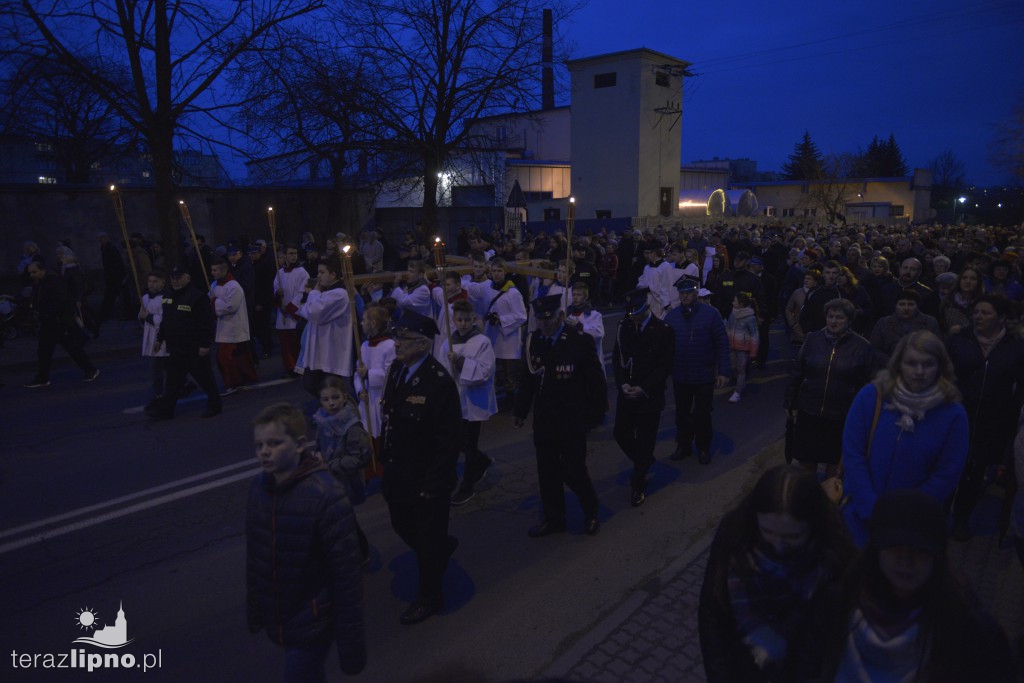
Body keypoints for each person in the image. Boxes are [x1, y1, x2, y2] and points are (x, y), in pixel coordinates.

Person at [799, 489, 1014, 682]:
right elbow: (804, 664)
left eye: (919, 550)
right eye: (895, 547)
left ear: (936, 556)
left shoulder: (971, 631)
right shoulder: (835, 605)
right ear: (877, 549)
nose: (906, 560)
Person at [698, 465, 854, 682]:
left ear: (814, 525)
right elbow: (712, 613)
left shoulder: (834, 563)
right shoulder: (735, 533)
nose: (779, 547)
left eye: (792, 537)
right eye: (769, 532)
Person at [246, 403, 366, 680]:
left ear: (300, 444)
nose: (264, 451)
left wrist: (352, 649)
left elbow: (347, 577)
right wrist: (256, 607)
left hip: (314, 621)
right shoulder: (259, 489)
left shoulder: (326, 495)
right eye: (259, 445)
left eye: (274, 443)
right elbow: (256, 555)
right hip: (280, 615)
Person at [842, 331, 969, 546]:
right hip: (858, 520)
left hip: (912, 527)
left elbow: (946, 474)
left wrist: (903, 514)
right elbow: (853, 454)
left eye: (928, 364)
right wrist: (870, 509)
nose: (919, 371)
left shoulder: (952, 414)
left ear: (940, 366)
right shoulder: (872, 397)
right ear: (898, 363)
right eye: (911, 363)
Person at [379, 310, 462, 625]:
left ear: (424, 344)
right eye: (397, 337)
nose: (397, 343)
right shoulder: (398, 371)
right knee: (402, 525)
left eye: (404, 339)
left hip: (427, 478)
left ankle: (429, 597)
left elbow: (448, 440)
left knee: (426, 542)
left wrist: (435, 484)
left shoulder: (438, 382)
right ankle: (440, 549)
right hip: (400, 472)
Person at [514, 295, 607, 537]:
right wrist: (520, 411)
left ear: (560, 316)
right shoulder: (533, 341)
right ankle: (554, 519)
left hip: (572, 418)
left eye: (550, 318)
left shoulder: (579, 340)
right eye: (540, 319)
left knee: (574, 471)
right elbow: (529, 379)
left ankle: (591, 511)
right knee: (548, 473)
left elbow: (595, 381)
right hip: (545, 419)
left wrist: (596, 415)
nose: (545, 324)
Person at [945, 294, 1024, 540]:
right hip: (955, 416)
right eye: (977, 311)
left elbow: (1019, 387)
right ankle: (935, 517)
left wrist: (1010, 421)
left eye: (986, 312)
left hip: (991, 421)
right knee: (946, 470)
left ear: (1001, 318)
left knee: (973, 474)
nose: (978, 316)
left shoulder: (1015, 348)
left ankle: (961, 519)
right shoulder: (959, 341)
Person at [785, 299, 876, 476]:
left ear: (849, 320)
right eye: (830, 316)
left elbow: (870, 381)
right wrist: (789, 401)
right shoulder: (812, 339)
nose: (833, 321)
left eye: (839, 317)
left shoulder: (862, 347)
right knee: (807, 460)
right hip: (809, 410)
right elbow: (797, 371)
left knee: (835, 463)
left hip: (841, 415)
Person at [611, 287, 675, 507]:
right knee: (621, 433)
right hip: (627, 394)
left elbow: (664, 366)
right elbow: (618, 361)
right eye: (630, 313)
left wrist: (644, 387)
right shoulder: (624, 327)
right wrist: (623, 384)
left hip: (649, 396)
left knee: (646, 440)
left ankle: (638, 483)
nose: (633, 317)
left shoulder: (663, 330)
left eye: (636, 312)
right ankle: (644, 461)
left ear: (646, 308)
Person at [664, 277, 730, 465]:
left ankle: (703, 447)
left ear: (695, 292)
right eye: (682, 293)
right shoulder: (672, 316)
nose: (685, 296)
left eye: (688, 292)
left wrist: (723, 371)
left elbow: (722, 344)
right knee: (682, 414)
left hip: (703, 375)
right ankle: (684, 445)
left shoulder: (711, 315)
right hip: (680, 375)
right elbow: (665, 346)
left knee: (702, 414)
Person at [148, 264, 221, 419]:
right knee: (172, 383)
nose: (176, 281)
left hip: (193, 347)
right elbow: (165, 320)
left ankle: (215, 405)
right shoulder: (168, 295)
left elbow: (206, 323)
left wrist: (205, 345)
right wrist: (159, 339)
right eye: (173, 278)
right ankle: (167, 411)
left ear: (187, 278)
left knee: (205, 378)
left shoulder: (197, 297)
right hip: (175, 348)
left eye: (179, 278)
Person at [444, 300, 498, 505]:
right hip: (456, 400)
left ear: (473, 319)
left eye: (467, 319)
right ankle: (481, 460)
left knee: (470, 441)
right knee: (459, 441)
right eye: (459, 320)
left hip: (474, 400)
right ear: (454, 320)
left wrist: (459, 362)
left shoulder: (482, 342)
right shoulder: (447, 343)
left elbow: (484, 372)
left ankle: (468, 485)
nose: (463, 324)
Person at [314, 377, 373, 563]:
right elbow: (320, 442)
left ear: (344, 398)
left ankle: (362, 554)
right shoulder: (322, 419)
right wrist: (317, 453)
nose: (331, 403)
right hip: (328, 479)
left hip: (345, 481)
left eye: (335, 397)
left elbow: (360, 456)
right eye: (326, 399)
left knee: (346, 520)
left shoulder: (351, 425)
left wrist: (330, 465)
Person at [22, 261, 100, 388]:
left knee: (72, 348)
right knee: (44, 351)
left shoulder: (53, 281)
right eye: (30, 273)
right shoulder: (41, 283)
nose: (32, 275)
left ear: (42, 270)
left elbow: (60, 301)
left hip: (60, 322)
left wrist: (47, 313)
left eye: (34, 272)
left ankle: (90, 369)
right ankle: (42, 377)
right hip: (49, 322)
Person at [295, 255, 353, 398]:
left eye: (322, 272)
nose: (318, 276)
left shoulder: (340, 293)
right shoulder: (327, 292)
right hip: (320, 349)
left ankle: (344, 409)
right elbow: (306, 310)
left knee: (329, 388)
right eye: (318, 272)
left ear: (333, 275)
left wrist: (314, 292)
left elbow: (314, 312)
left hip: (331, 351)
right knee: (312, 384)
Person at [209, 257, 258, 395]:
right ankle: (239, 380)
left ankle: (233, 383)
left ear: (224, 270)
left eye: (215, 270)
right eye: (211, 270)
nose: (212, 272)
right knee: (235, 357)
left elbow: (230, 306)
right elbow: (210, 298)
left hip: (233, 327)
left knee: (225, 357)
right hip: (222, 327)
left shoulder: (234, 286)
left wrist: (214, 302)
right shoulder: (214, 285)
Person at [354, 305, 395, 452]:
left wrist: (369, 374)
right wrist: (359, 390)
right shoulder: (364, 345)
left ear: (373, 324)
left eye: (364, 320)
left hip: (381, 398)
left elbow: (391, 375)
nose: (361, 323)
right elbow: (358, 372)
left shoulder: (390, 346)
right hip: (366, 399)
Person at [868, 288, 940, 356]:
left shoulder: (930, 323)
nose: (906, 308)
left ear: (917, 306)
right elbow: (875, 350)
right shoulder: (883, 324)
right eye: (902, 304)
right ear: (895, 306)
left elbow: (936, 349)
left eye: (911, 304)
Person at [274, 244, 309, 375]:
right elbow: (275, 287)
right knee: (284, 344)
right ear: (284, 256)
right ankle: (289, 367)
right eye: (290, 253)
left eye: (295, 253)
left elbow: (302, 292)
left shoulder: (302, 272)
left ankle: (298, 367)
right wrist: (277, 293)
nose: (293, 256)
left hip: (294, 312)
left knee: (295, 342)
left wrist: (289, 307)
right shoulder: (280, 272)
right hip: (282, 313)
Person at [138, 269, 169, 407]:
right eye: (150, 281)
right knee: (165, 366)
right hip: (150, 336)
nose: (152, 284)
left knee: (158, 367)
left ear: (163, 282)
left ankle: (159, 393)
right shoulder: (145, 297)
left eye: (155, 281)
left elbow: (164, 320)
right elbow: (141, 318)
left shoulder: (166, 298)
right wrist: (140, 316)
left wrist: (148, 317)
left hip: (162, 338)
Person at [726, 292, 759, 404]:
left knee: (741, 370)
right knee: (733, 367)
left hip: (743, 349)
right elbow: (728, 329)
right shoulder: (732, 314)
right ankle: (740, 383)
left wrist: (753, 351)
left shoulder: (750, 318)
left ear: (741, 304)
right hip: (732, 346)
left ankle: (738, 392)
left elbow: (754, 335)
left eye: (734, 301)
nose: (732, 302)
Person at [939, 266, 982, 336]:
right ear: (959, 280)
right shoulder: (947, 303)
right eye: (964, 278)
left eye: (973, 279)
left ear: (978, 282)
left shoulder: (984, 304)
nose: (968, 281)